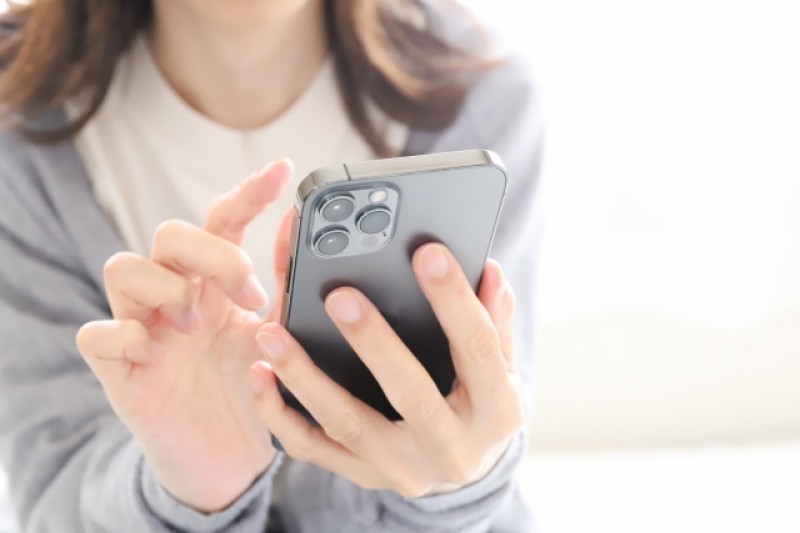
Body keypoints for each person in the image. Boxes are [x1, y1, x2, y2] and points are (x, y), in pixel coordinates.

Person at [0, 0, 543, 531]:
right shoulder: (16, 117)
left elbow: (483, 439)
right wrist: (190, 491)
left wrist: (456, 484)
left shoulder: (480, 93)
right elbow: (54, 495)